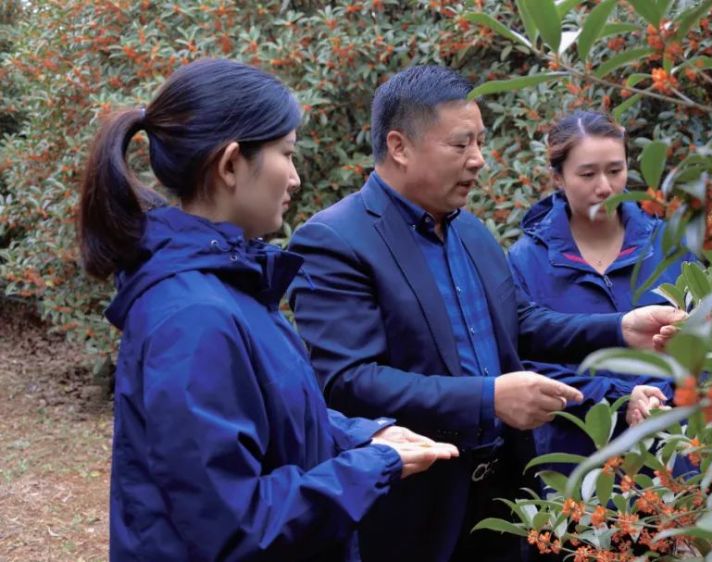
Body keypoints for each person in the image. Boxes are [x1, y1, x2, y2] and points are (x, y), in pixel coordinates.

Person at [286, 65, 687, 562]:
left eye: (480, 142)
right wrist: (488, 398)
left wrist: (620, 328)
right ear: (399, 146)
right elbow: (348, 380)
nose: (478, 160)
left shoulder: (470, 232)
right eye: (460, 145)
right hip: (415, 508)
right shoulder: (336, 240)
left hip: (504, 499)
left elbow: (520, 325)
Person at [78, 58, 457, 562]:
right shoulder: (192, 318)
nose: (296, 178)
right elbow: (235, 525)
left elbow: (273, 415)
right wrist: (373, 466)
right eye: (286, 153)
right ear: (232, 164)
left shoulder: (229, 286)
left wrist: (364, 435)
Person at [507, 110, 699, 477]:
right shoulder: (525, 261)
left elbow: (705, 339)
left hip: (674, 455)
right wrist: (617, 399)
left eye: (615, 170)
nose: (605, 186)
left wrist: (660, 396)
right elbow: (526, 362)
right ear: (558, 177)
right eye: (587, 174)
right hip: (580, 467)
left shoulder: (668, 244)